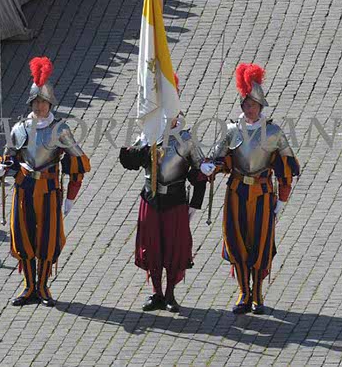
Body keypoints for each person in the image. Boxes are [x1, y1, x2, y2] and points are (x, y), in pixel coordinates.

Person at [0, 57, 91, 307]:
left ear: (50, 103)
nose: (39, 106)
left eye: (43, 102)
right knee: (23, 236)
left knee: (48, 239)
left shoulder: (60, 129)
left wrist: (70, 197)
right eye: (36, 102)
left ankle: (43, 286)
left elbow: (77, 162)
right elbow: (9, 156)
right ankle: (29, 287)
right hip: (24, 188)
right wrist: (0, 167)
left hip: (49, 190)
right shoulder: (19, 128)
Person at [200, 63, 300, 315]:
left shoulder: (274, 133)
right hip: (236, 194)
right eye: (246, 105)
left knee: (260, 244)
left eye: (253, 105)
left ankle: (258, 294)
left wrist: (282, 200)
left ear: (260, 106)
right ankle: (244, 292)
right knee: (237, 242)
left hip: (263, 194)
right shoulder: (232, 130)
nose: (250, 109)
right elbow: (218, 158)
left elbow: (287, 168)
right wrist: (210, 168)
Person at [119, 96, 207, 312]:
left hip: (175, 201)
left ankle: (170, 294)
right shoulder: (148, 136)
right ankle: (157, 292)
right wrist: (138, 150)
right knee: (152, 248)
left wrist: (194, 205)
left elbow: (199, 173)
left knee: (174, 250)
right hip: (151, 199)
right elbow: (129, 162)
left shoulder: (186, 139)